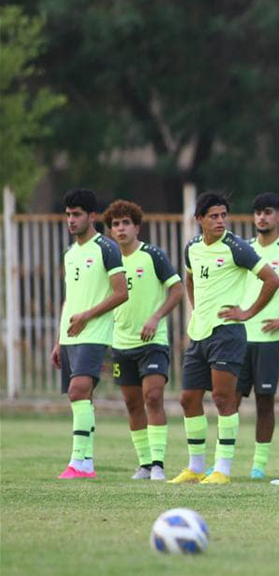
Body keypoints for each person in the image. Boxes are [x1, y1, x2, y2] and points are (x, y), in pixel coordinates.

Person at [173, 192, 279, 484]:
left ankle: (223, 469)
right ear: (199, 220)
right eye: (213, 216)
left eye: (223, 215)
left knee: (223, 398)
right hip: (199, 333)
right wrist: (198, 310)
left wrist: (247, 312)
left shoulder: (237, 247)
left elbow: (272, 279)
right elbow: (191, 278)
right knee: (187, 399)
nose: (220, 221)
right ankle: (195, 467)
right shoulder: (192, 248)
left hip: (227, 333)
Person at [102, 199, 183, 481]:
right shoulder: (109, 261)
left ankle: (159, 463)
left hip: (153, 342)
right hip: (121, 344)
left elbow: (177, 290)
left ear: (137, 227)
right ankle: (144, 464)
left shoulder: (153, 255)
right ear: (110, 230)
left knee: (153, 396)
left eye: (126, 223)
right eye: (115, 224)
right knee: (133, 404)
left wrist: (156, 316)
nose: (120, 228)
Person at [52, 189, 129, 479]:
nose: (71, 220)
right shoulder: (69, 254)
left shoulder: (106, 248)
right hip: (70, 336)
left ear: (92, 216)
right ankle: (87, 462)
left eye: (77, 214)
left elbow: (121, 293)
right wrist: (58, 340)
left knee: (78, 391)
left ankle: (77, 463)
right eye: (68, 214)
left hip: (94, 332)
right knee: (81, 398)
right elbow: (69, 300)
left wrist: (87, 316)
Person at [237, 192, 279, 480]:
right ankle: (222, 463)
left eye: (267, 212)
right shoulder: (242, 250)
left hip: (269, 342)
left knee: (264, 401)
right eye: (257, 213)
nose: (261, 217)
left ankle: (258, 465)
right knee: (226, 400)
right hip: (238, 338)